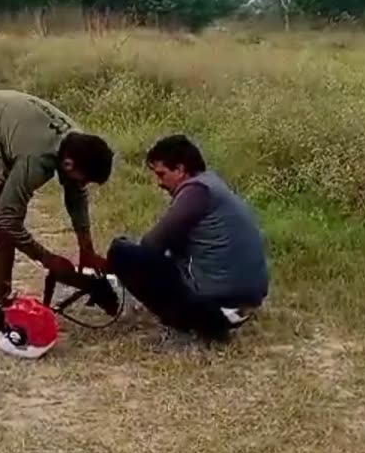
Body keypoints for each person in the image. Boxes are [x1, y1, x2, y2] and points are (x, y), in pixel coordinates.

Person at [0, 89, 119, 339]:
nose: (83, 185)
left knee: (6, 218)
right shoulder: (37, 159)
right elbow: (6, 221)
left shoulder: (75, 143)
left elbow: (75, 195)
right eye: (84, 179)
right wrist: (47, 259)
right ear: (68, 165)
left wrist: (86, 248)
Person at [106, 134, 269, 344]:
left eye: (162, 174)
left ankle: (188, 326)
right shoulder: (213, 185)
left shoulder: (195, 190)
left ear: (181, 169)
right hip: (247, 297)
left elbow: (152, 244)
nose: (159, 183)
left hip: (217, 299)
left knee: (122, 252)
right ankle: (208, 320)